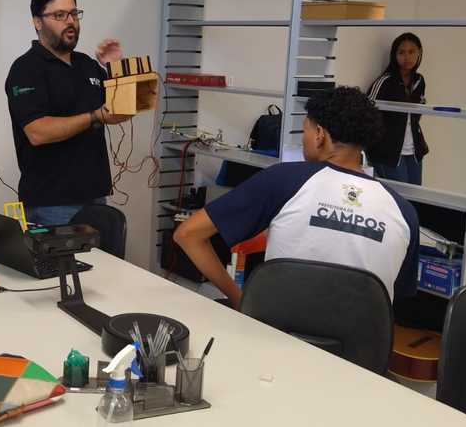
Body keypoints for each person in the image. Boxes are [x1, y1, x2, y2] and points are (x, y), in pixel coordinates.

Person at [173, 87, 419, 310]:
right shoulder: (404, 211)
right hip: (359, 355)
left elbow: (187, 234)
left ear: (320, 134)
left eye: (305, 130)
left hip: (280, 342)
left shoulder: (284, 180)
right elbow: (396, 294)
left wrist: (241, 301)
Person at [5, 0, 131, 226]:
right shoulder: (26, 69)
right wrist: (94, 116)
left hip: (95, 197)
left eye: (74, 13)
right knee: (59, 267)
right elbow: (37, 132)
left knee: (100, 266)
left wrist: (116, 69)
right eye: (60, 15)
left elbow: (122, 111)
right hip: (51, 204)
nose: (71, 21)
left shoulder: (87, 65)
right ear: (37, 21)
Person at [367, 32, 428, 185]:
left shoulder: (419, 80)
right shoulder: (385, 81)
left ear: (419, 52)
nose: (407, 57)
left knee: (417, 198)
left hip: (413, 151)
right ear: (394, 55)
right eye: (401, 52)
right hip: (388, 152)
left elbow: (417, 113)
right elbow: (366, 112)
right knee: (399, 200)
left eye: (412, 52)